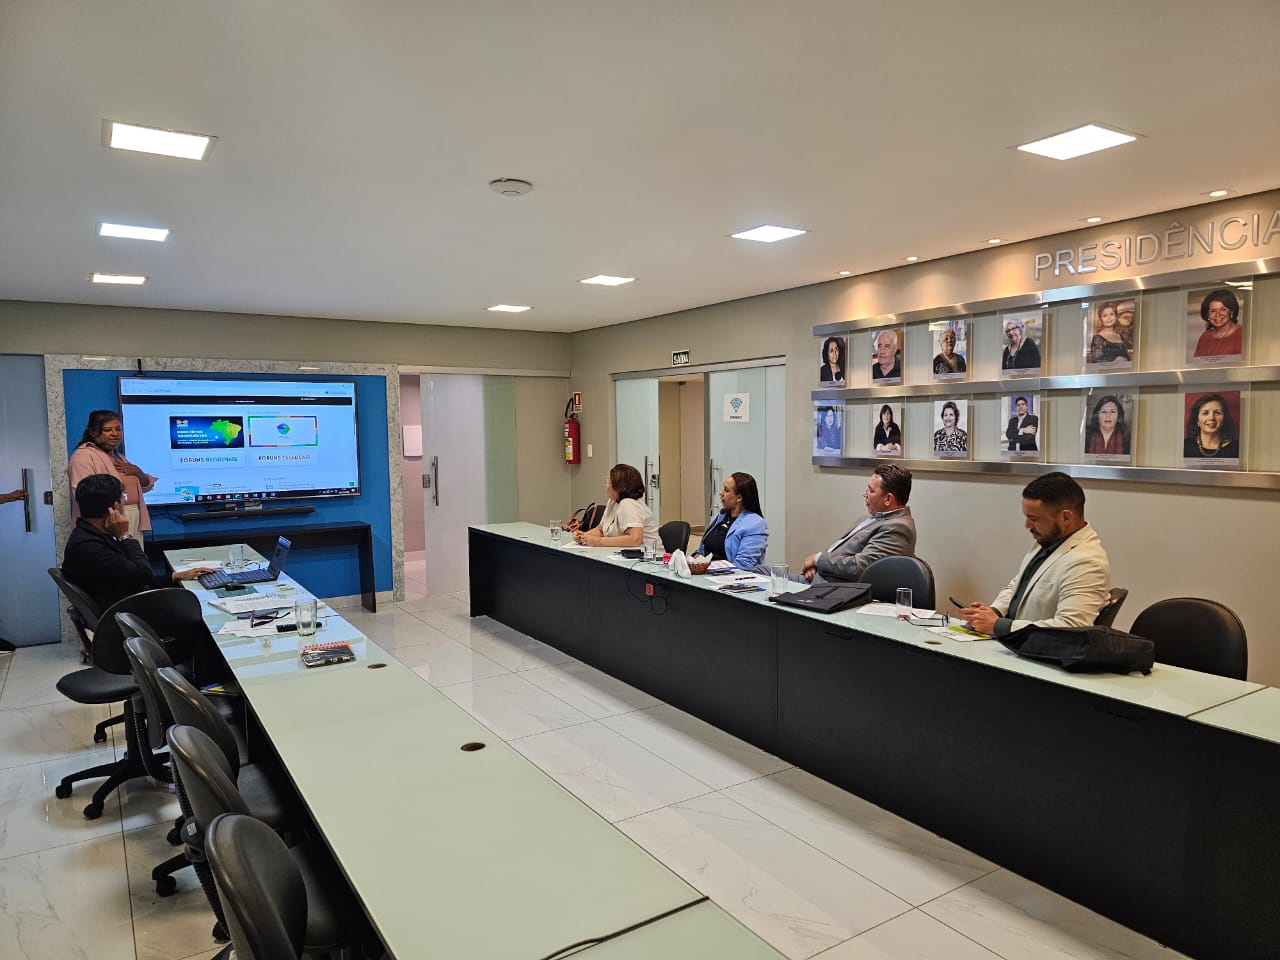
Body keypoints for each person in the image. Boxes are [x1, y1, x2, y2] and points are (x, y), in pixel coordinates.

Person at [959, 472, 1110, 636]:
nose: (1027, 525)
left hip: (1035, 649)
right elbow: (1018, 586)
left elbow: (1071, 628)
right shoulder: (1049, 540)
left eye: (1034, 518)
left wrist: (998, 626)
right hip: (1014, 640)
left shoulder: (1087, 562)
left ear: (1066, 518)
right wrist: (994, 612)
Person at [62, 474, 213, 612]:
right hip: (128, 616)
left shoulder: (91, 535)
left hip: (127, 608)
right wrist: (124, 536)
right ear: (114, 507)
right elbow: (144, 575)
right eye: (123, 497)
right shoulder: (90, 546)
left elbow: (133, 575)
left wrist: (174, 576)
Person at [802, 464, 915, 583]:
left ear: (888, 499)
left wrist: (818, 559)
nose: (865, 494)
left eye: (871, 491)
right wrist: (817, 566)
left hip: (835, 590)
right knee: (785, 579)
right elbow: (840, 551)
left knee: (786, 581)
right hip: (819, 579)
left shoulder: (897, 529)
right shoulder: (873, 516)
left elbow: (859, 568)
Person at [67, 410, 156, 540]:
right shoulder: (83, 456)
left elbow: (146, 486)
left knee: (133, 552)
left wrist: (138, 472)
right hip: (106, 522)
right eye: (108, 430)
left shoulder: (118, 456)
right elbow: (84, 495)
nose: (115, 434)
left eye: (118, 429)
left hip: (132, 517)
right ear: (93, 432)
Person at [691, 472, 768, 574]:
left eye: (726, 490)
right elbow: (702, 550)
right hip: (707, 575)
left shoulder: (755, 524)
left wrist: (708, 567)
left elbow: (743, 565)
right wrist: (695, 562)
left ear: (739, 498)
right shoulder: (721, 516)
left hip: (733, 578)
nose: (721, 493)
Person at [573, 463, 660, 547]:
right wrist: (584, 536)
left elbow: (635, 539)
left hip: (648, 555)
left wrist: (598, 541)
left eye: (609, 482)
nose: (607, 486)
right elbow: (601, 530)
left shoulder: (629, 504)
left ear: (619, 486)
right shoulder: (613, 502)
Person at [1183, 393, 1237, 460]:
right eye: (1205, 413)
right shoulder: (1185, 446)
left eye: (1217, 413)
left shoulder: (1236, 448)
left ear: (1224, 419)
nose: (1211, 418)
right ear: (1197, 420)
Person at [1193, 288, 1244, 358]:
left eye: (1223, 309)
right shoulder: (1205, 337)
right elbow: (1198, 362)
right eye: (1213, 311)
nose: (1217, 314)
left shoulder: (1242, 334)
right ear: (1208, 315)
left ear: (1232, 311)